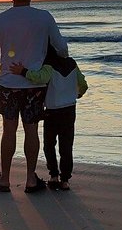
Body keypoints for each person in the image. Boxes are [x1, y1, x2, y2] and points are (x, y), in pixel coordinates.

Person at [0, 0, 69, 193]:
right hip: (33, 84)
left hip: (7, 84)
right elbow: (62, 48)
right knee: (32, 131)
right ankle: (31, 179)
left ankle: (5, 179)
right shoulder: (44, 17)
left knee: (8, 131)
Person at [10, 43, 87, 191]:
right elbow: (83, 83)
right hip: (70, 109)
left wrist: (23, 71)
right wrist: (78, 94)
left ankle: (53, 175)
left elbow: (39, 78)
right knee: (66, 145)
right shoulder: (72, 63)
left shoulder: (49, 66)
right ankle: (65, 180)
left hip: (52, 110)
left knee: (49, 144)